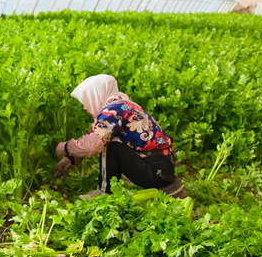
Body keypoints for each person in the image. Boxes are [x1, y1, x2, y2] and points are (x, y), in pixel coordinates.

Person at [54, 74, 186, 200]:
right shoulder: (122, 106)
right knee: (107, 140)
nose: (84, 107)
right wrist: (70, 158)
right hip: (163, 169)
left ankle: (104, 193)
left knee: (111, 144)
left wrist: (65, 147)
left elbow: (92, 145)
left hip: (155, 172)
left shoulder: (114, 110)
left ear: (96, 95)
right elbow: (92, 137)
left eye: (86, 101)